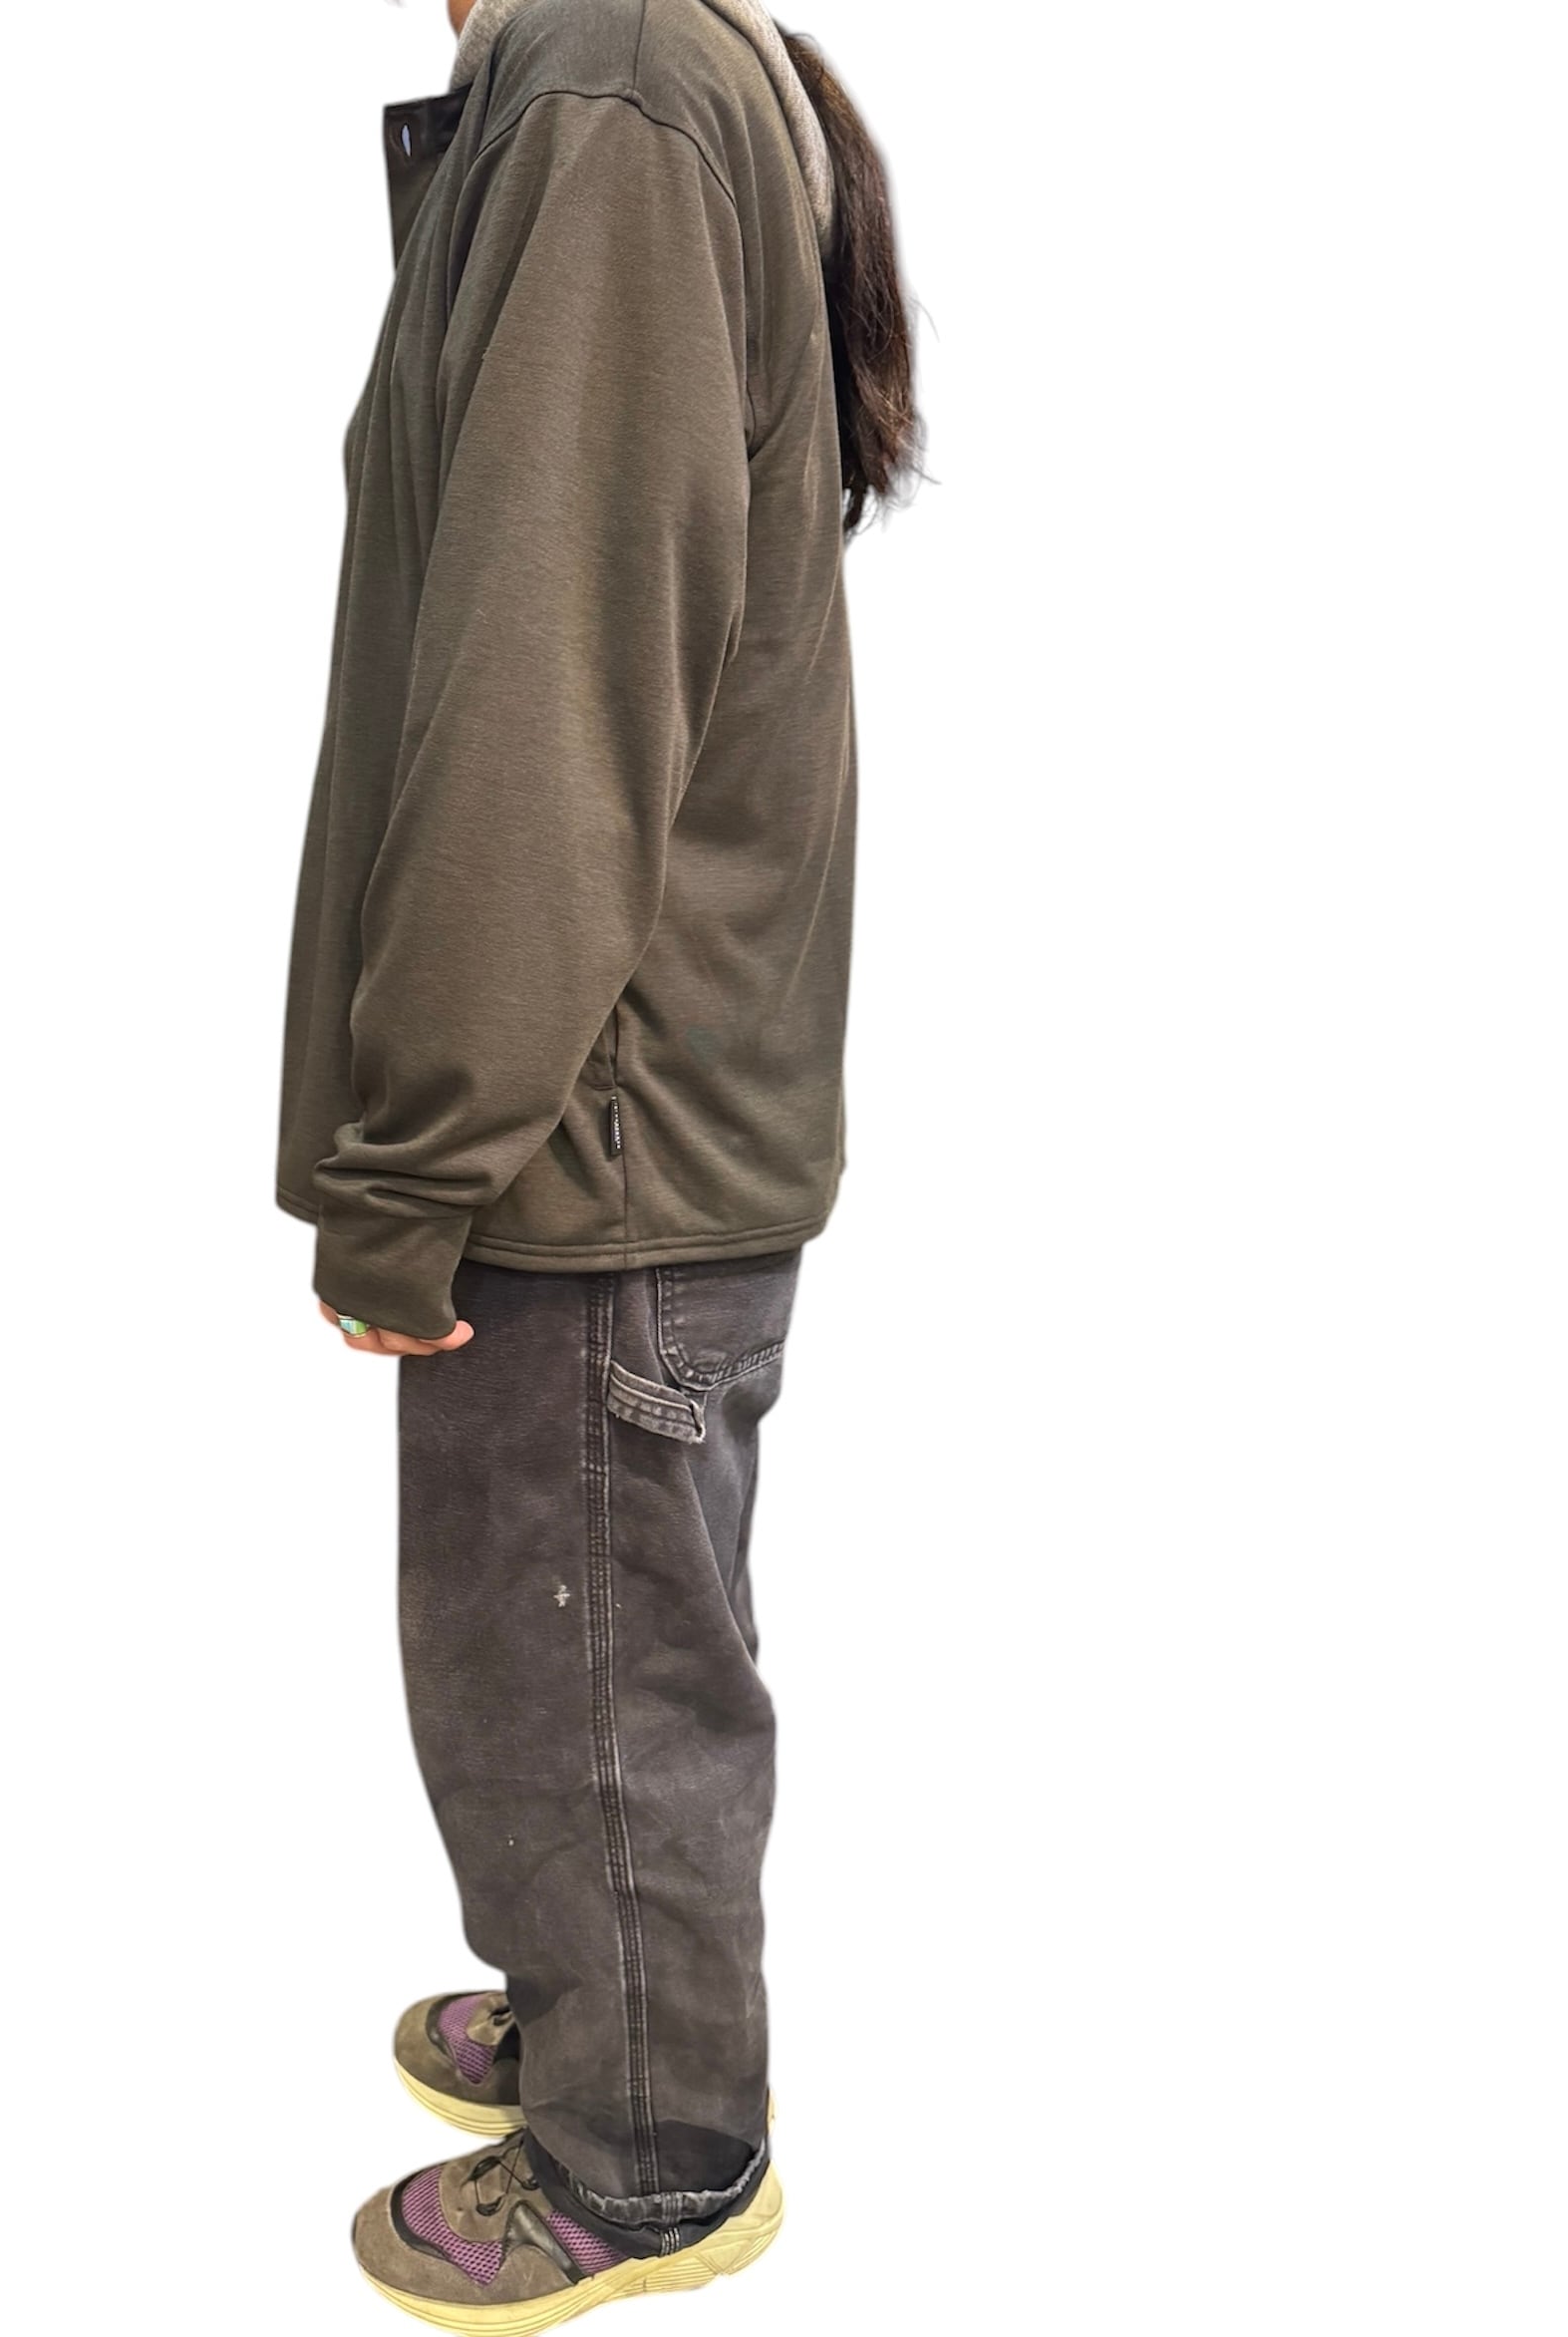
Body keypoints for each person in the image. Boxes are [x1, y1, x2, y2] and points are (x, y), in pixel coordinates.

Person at [277, 0, 919, 2321]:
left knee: (589, 1659)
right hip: (610, 1085)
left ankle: (652, 2148)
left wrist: (414, 1155)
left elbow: (546, 692)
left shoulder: (611, 87)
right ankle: (600, 1993)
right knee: (548, 1634)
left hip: (588, 1103)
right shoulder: (622, 67)